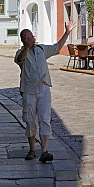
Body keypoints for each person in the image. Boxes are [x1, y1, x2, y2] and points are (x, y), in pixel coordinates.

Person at [15, 16, 76, 162]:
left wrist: (67, 33)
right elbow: (20, 60)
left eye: (32, 36)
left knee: (45, 119)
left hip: (44, 88)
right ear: (24, 40)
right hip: (29, 91)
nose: (32, 39)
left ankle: (44, 150)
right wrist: (26, 48)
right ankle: (31, 149)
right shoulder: (21, 53)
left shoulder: (42, 49)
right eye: (29, 37)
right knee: (30, 120)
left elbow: (57, 47)